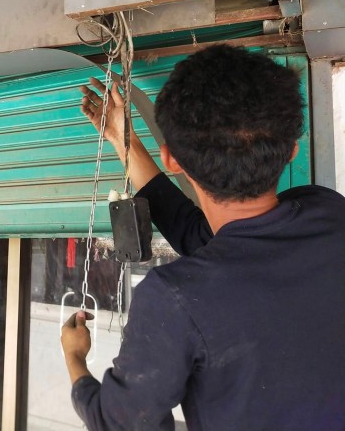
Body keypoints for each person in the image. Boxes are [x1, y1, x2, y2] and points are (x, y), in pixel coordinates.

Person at [61, 45, 345, 431]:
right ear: (291, 151)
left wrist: (74, 357)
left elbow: (118, 423)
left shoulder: (176, 300)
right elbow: (205, 237)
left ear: (171, 160)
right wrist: (120, 138)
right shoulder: (328, 212)